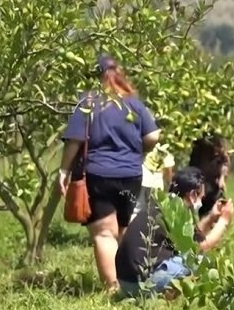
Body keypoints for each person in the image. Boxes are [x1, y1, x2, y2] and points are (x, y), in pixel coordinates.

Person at [58, 54, 161, 294]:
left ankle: (113, 289)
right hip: (131, 175)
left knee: (104, 234)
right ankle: (131, 283)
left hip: (98, 174)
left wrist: (63, 170)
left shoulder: (88, 102)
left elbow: (74, 140)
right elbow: (153, 136)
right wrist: (138, 149)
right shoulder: (134, 104)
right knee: (123, 230)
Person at [116, 167, 234, 298]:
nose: (201, 201)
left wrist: (212, 216)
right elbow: (202, 246)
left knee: (186, 255)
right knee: (200, 260)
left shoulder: (166, 204)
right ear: (192, 195)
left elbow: (194, 238)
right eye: (201, 196)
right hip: (142, 285)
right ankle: (164, 297)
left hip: (126, 283)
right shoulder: (177, 211)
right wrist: (224, 220)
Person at [188, 133, 232, 219]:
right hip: (201, 189)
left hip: (214, 189)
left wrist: (222, 177)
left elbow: (226, 163)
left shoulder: (220, 148)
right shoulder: (199, 150)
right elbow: (194, 169)